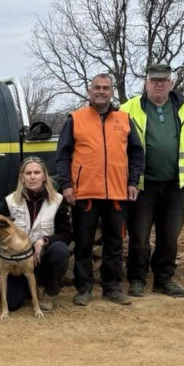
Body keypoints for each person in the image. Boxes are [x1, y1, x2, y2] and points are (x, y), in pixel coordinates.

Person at [56, 73, 144, 306]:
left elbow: (136, 153)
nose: (101, 91)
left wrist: (133, 181)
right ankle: (84, 288)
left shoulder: (124, 119)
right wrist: (66, 185)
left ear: (111, 92)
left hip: (117, 193)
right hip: (84, 192)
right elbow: (63, 156)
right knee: (83, 243)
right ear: (89, 91)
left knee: (114, 243)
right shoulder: (75, 119)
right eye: (97, 87)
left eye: (106, 88)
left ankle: (112, 287)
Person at [120, 63, 184, 298]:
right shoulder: (128, 108)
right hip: (143, 185)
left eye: (163, 81)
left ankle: (163, 279)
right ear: (146, 83)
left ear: (171, 83)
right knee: (139, 236)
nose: (159, 84)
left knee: (169, 236)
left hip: (175, 185)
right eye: (154, 80)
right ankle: (136, 278)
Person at [0, 156, 71, 312]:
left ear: (44, 176)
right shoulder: (10, 201)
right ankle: (27, 288)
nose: (33, 177)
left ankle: (50, 292)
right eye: (28, 173)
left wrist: (44, 240)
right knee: (12, 304)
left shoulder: (57, 200)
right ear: (22, 177)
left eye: (37, 172)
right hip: (16, 263)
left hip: (41, 257)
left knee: (60, 250)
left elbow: (67, 234)